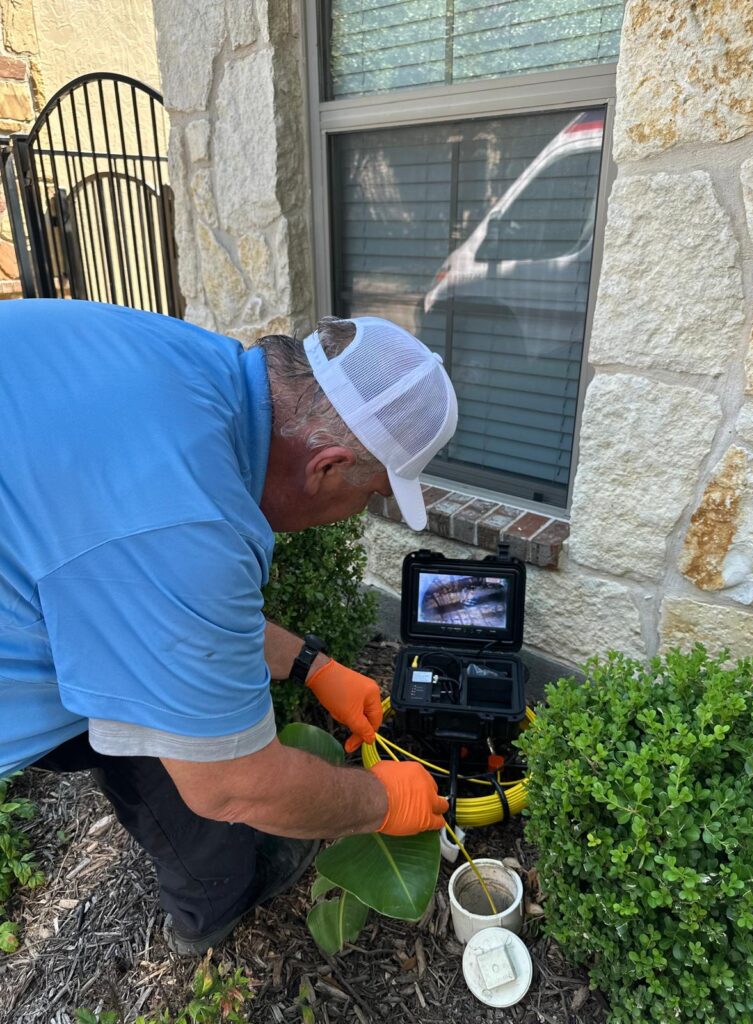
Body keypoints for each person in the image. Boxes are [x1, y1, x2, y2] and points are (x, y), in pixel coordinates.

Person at [0, 300, 457, 955]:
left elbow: (157, 595)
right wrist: (380, 802)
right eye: (370, 495)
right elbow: (231, 785)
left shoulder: (191, 364)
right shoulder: (190, 528)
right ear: (326, 467)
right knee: (204, 772)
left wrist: (312, 665)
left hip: (49, 577)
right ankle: (210, 908)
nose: (358, 511)